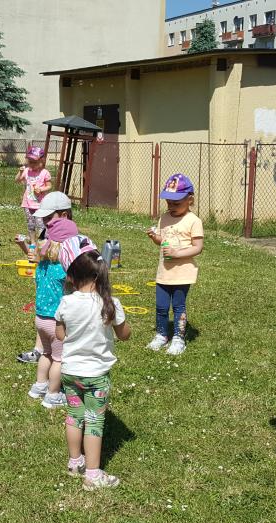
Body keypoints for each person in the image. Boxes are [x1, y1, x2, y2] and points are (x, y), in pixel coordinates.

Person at [55, 246, 131, 490]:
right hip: (96, 376)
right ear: (100, 276)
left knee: (74, 416)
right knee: (94, 422)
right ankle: (93, 475)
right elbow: (125, 335)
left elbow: (60, 335)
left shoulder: (66, 302)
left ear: (72, 277)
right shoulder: (110, 303)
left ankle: (74, 462)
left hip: (70, 372)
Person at [16, 192, 78, 409]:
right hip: (57, 321)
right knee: (60, 359)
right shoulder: (63, 268)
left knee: (46, 353)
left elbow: (38, 254)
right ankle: (53, 394)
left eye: (48, 218)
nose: (46, 223)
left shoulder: (42, 265)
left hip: (40, 318)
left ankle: (39, 386)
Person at [145, 173, 204, 356]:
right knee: (161, 306)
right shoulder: (164, 217)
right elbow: (163, 241)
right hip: (164, 272)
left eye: (176, 203)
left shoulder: (194, 221)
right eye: (169, 202)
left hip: (182, 273)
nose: (171, 206)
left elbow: (198, 247)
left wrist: (177, 253)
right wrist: (155, 237)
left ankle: (179, 338)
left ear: (190, 200)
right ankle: (161, 335)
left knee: (178, 306)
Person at [14, 146, 52, 246]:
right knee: (30, 224)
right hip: (27, 203)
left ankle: (43, 242)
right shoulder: (26, 171)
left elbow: (49, 186)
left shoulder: (45, 173)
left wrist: (41, 189)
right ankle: (33, 242)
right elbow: (17, 180)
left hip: (40, 204)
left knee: (41, 224)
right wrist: (20, 172)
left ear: (42, 161)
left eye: (34, 162)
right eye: (30, 162)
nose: (31, 164)